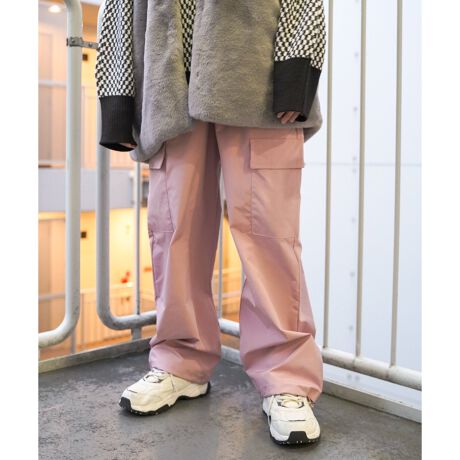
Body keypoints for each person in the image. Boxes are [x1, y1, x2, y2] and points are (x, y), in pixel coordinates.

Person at [95, 0, 326, 447]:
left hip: (256, 76)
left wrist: (295, 74)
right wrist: (119, 100)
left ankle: (287, 379)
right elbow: (119, 8)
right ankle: (180, 361)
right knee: (174, 232)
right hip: (168, 87)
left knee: (269, 236)